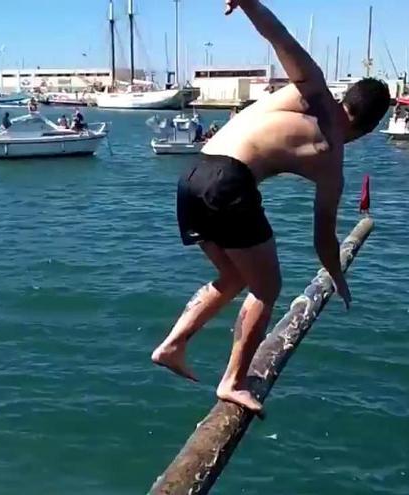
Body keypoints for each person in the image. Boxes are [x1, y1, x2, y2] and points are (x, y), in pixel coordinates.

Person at [151, 0, 390, 416]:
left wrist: (246, 2)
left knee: (231, 275)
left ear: (345, 96)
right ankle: (233, 381)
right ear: (368, 129)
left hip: (191, 175)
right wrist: (338, 280)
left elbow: (277, 36)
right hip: (228, 181)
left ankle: (172, 345)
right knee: (267, 287)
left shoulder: (309, 87)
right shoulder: (332, 158)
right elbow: (323, 238)